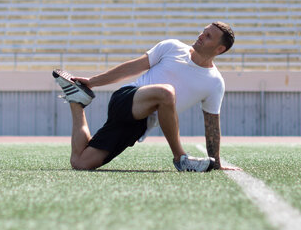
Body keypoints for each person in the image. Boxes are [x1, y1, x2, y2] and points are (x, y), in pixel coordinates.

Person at [53, 22, 236, 172]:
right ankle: (181, 158)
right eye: (203, 32)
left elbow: (212, 125)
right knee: (166, 93)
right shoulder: (172, 47)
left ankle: (77, 101)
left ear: (219, 49)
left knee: (81, 163)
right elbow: (131, 68)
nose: (200, 36)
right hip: (127, 99)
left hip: (140, 124)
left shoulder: (215, 83)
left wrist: (216, 162)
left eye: (208, 36)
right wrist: (93, 82)